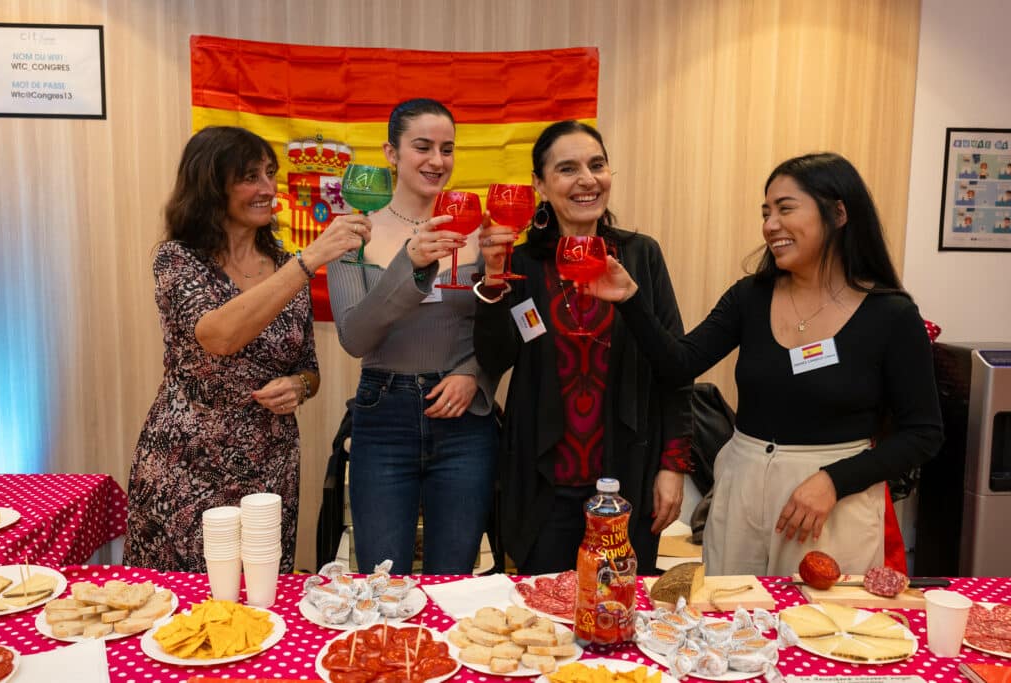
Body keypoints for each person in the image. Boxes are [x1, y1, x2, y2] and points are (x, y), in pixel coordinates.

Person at [590, 152, 943, 576]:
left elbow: (923, 433)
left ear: (839, 213)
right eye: (766, 212)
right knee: (732, 623)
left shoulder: (891, 314)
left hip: (831, 501)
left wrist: (834, 480)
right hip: (742, 485)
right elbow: (677, 365)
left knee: (820, 628)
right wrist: (630, 298)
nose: (770, 224)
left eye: (785, 208)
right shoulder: (749, 297)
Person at [125, 126, 370, 573]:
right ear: (210, 186)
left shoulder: (282, 264)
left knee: (259, 600)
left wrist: (299, 385)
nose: (267, 188)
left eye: (269, 174)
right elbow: (218, 336)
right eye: (249, 176)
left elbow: (309, 369)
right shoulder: (177, 260)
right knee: (184, 609)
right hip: (187, 465)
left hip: (270, 467)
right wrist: (308, 261)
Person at [473, 120, 694, 575]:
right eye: (567, 169)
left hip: (627, 471)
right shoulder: (523, 261)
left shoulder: (640, 256)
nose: (586, 180)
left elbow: (674, 368)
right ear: (541, 184)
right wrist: (493, 282)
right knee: (544, 613)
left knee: (618, 610)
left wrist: (673, 466)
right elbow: (496, 360)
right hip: (543, 477)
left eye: (597, 165)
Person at [327, 98, 499, 574]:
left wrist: (473, 373)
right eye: (422, 146)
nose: (436, 161)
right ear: (391, 153)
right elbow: (355, 337)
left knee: (454, 577)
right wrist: (410, 262)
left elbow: (500, 324)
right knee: (382, 578)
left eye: (447, 149)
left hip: (465, 418)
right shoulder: (353, 233)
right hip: (384, 416)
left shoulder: (474, 229)